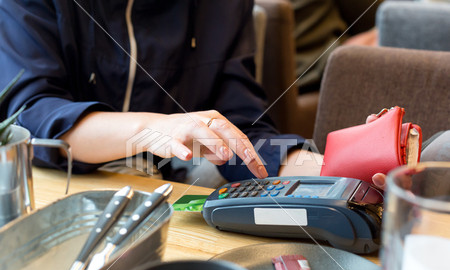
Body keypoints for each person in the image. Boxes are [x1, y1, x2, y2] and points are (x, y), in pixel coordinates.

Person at [0, 0, 384, 188]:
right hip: (49, 187)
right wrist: (158, 128)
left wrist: (337, 173)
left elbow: (242, 131)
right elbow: (30, 115)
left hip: (159, 194)